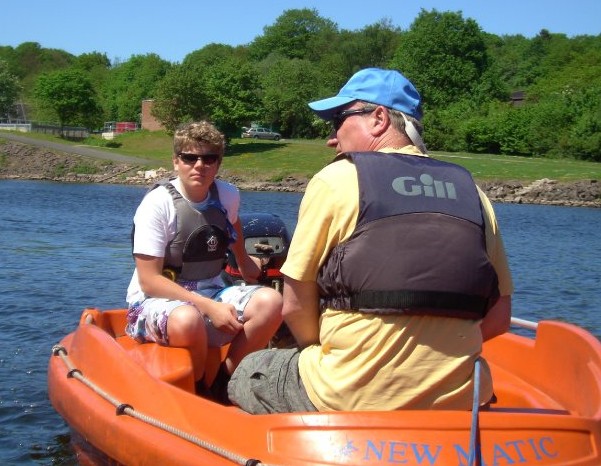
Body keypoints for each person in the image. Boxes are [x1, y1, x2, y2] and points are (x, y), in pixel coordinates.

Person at [228, 67, 513, 413]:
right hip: (459, 401)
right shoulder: (475, 194)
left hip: (348, 396)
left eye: (338, 120)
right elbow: (499, 317)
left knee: (247, 373)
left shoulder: (337, 179)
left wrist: (316, 351)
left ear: (378, 118)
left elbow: (294, 304)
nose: (331, 139)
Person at [125, 121, 283, 399]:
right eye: (190, 157)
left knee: (272, 302)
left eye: (209, 158)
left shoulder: (227, 195)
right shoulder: (157, 204)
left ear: (218, 163)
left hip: (209, 291)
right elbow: (149, 281)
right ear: (176, 162)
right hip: (152, 304)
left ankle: (224, 383)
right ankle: (197, 391)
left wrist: (244, 260)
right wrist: (209, 308)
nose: (200, 165)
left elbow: (231, 223)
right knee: (189, 319)